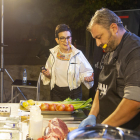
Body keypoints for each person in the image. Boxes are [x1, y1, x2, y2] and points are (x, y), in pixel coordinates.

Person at [79, 8, 140, 130]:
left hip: (124, 132)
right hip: (107, 128)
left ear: (114, 28)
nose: (97, 43)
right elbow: (101, 88)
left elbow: (134, 102)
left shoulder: (135, 50)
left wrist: (102, 128)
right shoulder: (110, 49)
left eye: (99, 37)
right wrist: (92, 115)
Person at [41, 24, 94, 101]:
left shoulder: (78, 54)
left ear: (71, 38)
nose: (66, 41)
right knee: (56, 113)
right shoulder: (53, 54)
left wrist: (87, 77)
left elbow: (86, 72)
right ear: (57, 40)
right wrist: (48, 75)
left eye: (68, 37)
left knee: (73, 113)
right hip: (56, 93)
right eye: (62, 38)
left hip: (74, 94)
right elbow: (49, 73)